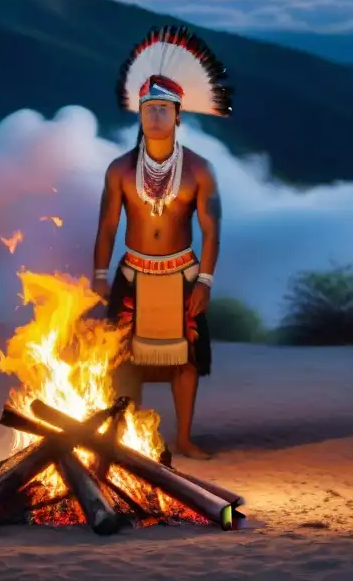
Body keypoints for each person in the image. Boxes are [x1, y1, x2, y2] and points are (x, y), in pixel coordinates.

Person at [92, 26, 232, 460]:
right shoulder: (119, 169)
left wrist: (205, 281)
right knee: (124, 361)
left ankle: (185, 437)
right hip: (132, 271)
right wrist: (99, 273)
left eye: (163, 109)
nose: (155, 116)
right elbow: (107, 227)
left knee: (186, 361)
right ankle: (128, 434)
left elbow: (212, 229)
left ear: (178, 116)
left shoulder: (200, 170)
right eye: (148, 109)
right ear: (138, 114)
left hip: (183, 272)